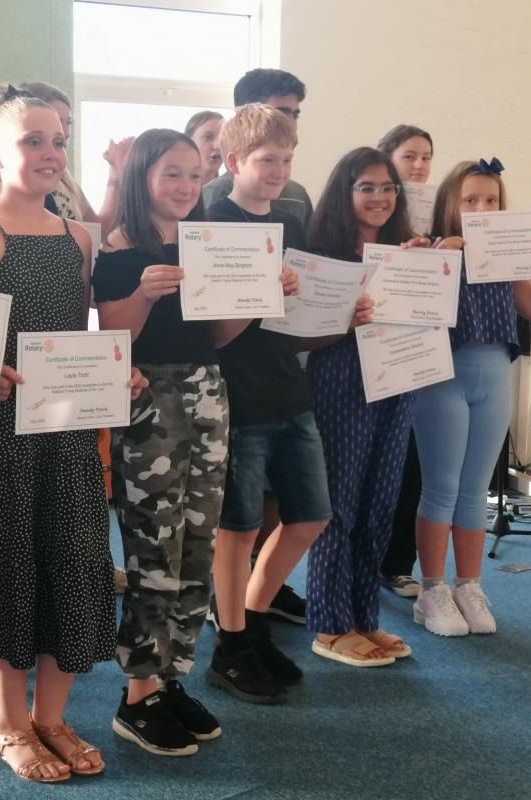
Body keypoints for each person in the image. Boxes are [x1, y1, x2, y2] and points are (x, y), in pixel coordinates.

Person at [0, 88, 145, 783]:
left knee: (69, 564)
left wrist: (118, 373)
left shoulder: (80, 237)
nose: (50, 153)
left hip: (65, 433)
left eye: (58, 141)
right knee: (5, 568)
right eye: (32, 141)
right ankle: (9, 723)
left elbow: (87, 334)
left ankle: (51, 717)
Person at [94, 128, 245, 754]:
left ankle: (170, 676)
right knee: (153, 542)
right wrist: (143, 294)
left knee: (198, 542)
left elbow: (219, 335)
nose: (185, 186)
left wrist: (257, 295)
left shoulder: (204, 244)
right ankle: (137, 694)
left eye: (193, 174)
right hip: (146, 397)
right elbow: (113, 334)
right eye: (170, 174)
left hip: (208, 390)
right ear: (142, 178)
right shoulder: (118, 248)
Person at [205, 104, 356, 703]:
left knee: (311, 515)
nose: (279, 171)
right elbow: (215, 330)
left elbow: (297, 325)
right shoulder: (212, 221)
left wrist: (342, 318)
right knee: (238, 528)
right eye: (268, 159)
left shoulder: (291, 223)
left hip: (290, 390)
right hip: (238, 394)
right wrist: (261, 290)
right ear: (233, 160)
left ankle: (252, 622)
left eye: (287, 160)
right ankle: (230, 646)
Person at [412, 158, 531, 637]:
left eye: (491, 201)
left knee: (474, 489)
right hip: (443, 376)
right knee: (440, 487)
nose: (482, 209)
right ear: (451, 205)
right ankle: (432, 588)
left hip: (495, 375)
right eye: (470, 201)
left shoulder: (506, 255)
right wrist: (442, 255)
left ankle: (469, 583)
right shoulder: (433, 250)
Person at [303, 147, 420, 668]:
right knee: (341, 503)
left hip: (398, 377)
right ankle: (331, 625)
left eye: (388, 187)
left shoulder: (406, 254)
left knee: (380, 501)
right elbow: (298, 335)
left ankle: (364, 615)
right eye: (366, 187)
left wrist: (431, 265)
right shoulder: (323, 257)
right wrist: (343, 323)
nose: (380, 197)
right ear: (344, 192)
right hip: (342, 378)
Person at [375, 123, 435, 599]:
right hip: (372, 351)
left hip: (421, 352)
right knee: (370, 465)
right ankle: (361, 561)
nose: (418, 166)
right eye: (409, 156)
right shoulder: (372, 213)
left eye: (426, 157)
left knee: (413, 464)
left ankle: (397, 564)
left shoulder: (440, 216)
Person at [202, 69, 312, 229]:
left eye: (295, 115)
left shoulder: (297, 198)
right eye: (280, 113)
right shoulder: (211, 201)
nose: (289, 123)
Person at [16, 81, 129, 232]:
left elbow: (98, 230)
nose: (66, 131)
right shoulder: (18, 177)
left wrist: (115, 171)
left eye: (68, 122)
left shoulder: (66, 179)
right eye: (57, 120)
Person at [184, 110, 222, 183]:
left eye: (223, 138)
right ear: (188, 142)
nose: (217, 146)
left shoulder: (235, 187)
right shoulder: (174, 188)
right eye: (208, 137)